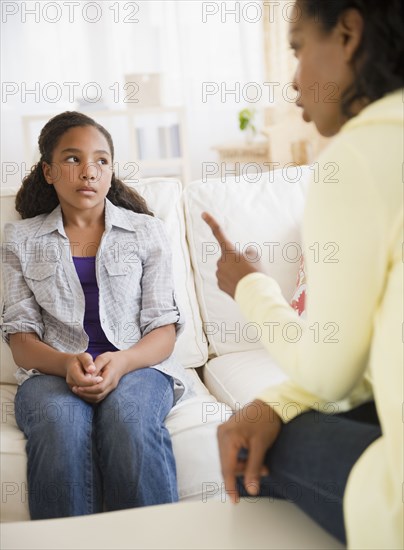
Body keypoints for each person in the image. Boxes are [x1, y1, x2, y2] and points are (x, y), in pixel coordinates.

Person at [202, 0, 403, 547]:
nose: (293, 83)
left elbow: (329, 373)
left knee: (257, 442)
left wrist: (248, 285)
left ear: (348, 33)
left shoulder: (355, 160)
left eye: (296, 49)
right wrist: (277, 399)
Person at [1, 111, 192, 519]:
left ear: (111, 170)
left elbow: (163, 328)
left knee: (130, 419)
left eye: (101, 160)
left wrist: (121, 362)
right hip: (52, 375)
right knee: (60, 425)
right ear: (48, 171)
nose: (89, 171)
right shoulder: (20, 238)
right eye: (73, 159)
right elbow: (20, 338)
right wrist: (66, 363)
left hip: (139, 367)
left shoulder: (146, 231)